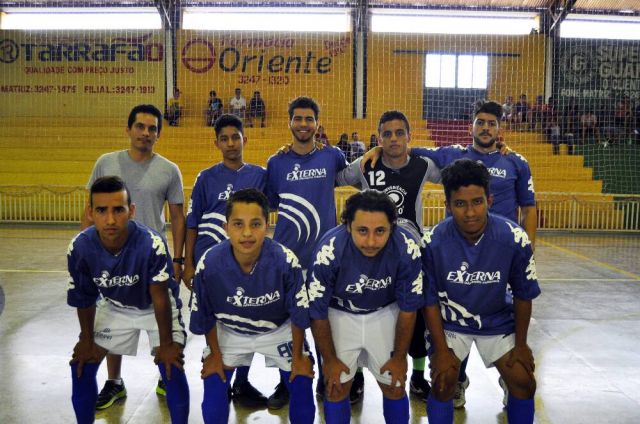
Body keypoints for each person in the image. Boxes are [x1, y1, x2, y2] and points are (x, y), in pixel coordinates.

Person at [364, 100, 537, 407]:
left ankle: (507, 375)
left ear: (500, 129)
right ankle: (457, 380)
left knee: (499, 314)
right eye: (480, 122)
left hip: (501, 255)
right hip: (456, 250)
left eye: (492, 123)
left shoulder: (515, 161)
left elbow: (529, 207)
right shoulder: (452, 155)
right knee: (456, 311)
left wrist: (529, 250)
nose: (485, 128)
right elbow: (406, 150)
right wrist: (379, 148)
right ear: (471, 126)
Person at [82, 104, 186, 410]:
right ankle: (114, 382)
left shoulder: (169, 169)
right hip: (112, 260)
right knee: (112, 318)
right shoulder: (106, 162)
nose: (146, 133)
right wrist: (87, 253)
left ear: (158, 134)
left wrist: (178, 259)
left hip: (154, 262)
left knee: (164, 319)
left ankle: (165, 375)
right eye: (140, 126)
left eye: (152, 128)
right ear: (128, 129)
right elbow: (90, 210)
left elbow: (177, 217)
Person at [421, 159, 540, 424]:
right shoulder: (432, 242)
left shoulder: (514, 237)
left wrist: (521, 345)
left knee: (524, 382)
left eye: (477, 202)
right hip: (452, 324)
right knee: (443, 381)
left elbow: (523, 294)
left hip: (497, 322)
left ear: (490, 200)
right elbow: (429, 302)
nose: (470, 212)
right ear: (447, 205)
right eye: (460, 204)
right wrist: (440, 350)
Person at [335, 110, 441, 400]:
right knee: (362, 310)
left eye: (399, 133)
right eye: (387, 134)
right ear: (379, 138)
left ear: (409, 136)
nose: (394, 139)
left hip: (411, 254)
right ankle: (356, 377)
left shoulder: (423, 165)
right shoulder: (365, 165)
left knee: (416, 315)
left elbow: (453, 175)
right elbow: (335, 178)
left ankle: (417, 376)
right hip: (371, 254)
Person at [68, 176, 190, 424]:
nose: (110, 219)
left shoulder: (151, 243)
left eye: (118, 210)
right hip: (115, 305)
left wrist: (167, 344)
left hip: (155, 307)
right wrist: (86, 339)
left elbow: (160, 298)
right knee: (82, 365)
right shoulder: (80, 247)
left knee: (171, 366)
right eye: (101, 210)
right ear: (90, 213)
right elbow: (84, 297)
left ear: (131, 211)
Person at [190, 189, 315, 424]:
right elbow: (204, 315)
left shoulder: (286, 261)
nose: (247, 233)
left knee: (302, 381)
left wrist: (299, 356)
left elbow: (298, 315)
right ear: (226, 227)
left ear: (267, 226)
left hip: (278, 330)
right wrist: (214, 354)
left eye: (255, 224)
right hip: (230, 330)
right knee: (214, 384)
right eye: (238, 224)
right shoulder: (209, 263)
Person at [266, 96, 357, 407]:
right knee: (286, 323)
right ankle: (287, 380)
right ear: (290, 122)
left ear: (318, 123)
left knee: (324, 321)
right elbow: (271, 203)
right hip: (287, 257)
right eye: (298, 118)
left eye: (309, 119)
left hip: (323, 258)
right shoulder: (276, 162)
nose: (303, 124)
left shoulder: (332, 156)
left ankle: (326, 375)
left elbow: (356, 175)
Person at [309, 189, 424, 424]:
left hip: (385, 311)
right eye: (362, 230)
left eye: (380, 231)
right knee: (336, 386)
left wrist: (400, 357)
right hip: (339, 313)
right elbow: (317, 311)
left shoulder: (406, 247)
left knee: (395, 384)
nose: (371, 241)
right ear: (347, 226)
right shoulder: (328, 249)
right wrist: (329, 359)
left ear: (392, 227)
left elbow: (408, 308)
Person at [183, 114, 267, 407]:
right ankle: (217, 370)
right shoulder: (205, 178)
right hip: (210, 263)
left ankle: (241, 382)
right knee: (214, 320)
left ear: (245, 139)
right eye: (224, 138)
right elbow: (192, 222)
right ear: (216, 143)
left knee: (247, 319)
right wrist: (188, 263)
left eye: (235, 137)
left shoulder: (260, 175)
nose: (231, 143)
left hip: (247, 263)